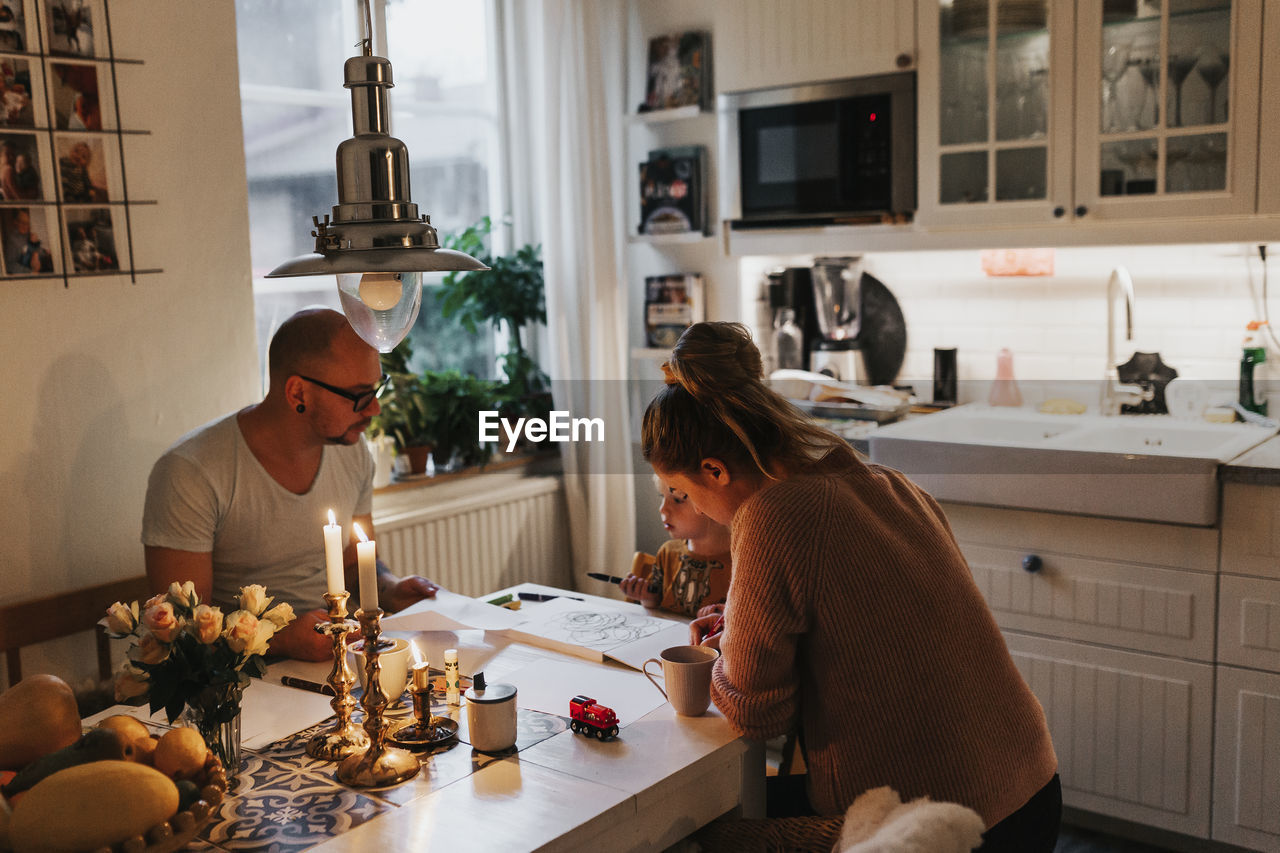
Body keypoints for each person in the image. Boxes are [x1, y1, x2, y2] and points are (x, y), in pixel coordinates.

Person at [643, 322, 1060, 852]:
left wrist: (721, 648)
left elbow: (754, 711)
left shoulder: (772, 515)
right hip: (1031, 789)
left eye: (684, 491)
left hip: (935, 827)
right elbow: (873, 628)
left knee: (685, 833)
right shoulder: (888, 482)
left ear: (715, 470)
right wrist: (745, 624)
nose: (693, 509)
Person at [142, 308, 440, 661]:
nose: (374, 409)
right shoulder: (191, 472)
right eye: (359, 395)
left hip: (341, 656)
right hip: (244, 679)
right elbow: (181, 628)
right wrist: (281, 640)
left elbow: (351, 564)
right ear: (298, 393)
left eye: (377, 388)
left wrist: (388, 588)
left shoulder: (353, 450)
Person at [619, 473, 731, 618]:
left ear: (714, 504)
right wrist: (646, 597)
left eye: (677, 500)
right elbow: (656, 604)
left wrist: (722, 616)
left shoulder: (741, 562)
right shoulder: (668, 552)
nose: (663, 509)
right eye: (662, 497)